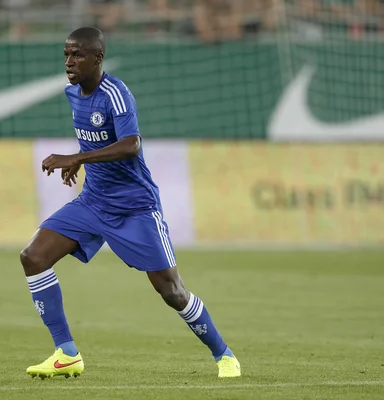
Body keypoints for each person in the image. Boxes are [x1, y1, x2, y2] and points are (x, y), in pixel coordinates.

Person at [20, 27, 241, 380]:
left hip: (135, 207)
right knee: (33, 256)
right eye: (66, 54)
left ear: (98, 57)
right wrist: (80, 164)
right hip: (93, 202)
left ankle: (224, 354)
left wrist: (76, 157)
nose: (69, 62)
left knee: (172, 291)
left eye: (77, 54)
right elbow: (93, 142)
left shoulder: (116, 94)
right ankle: (66, 352)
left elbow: (131, 145)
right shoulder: (72, 93)